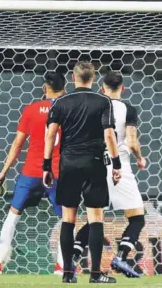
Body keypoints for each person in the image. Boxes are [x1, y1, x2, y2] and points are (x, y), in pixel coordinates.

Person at [44, 61, 121, 284]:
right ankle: (95, 275)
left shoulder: (60, 102)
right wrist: (116, 164)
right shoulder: (103, 101)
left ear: (73, 77)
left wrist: (46, 166)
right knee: (95, 219)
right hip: (94, 163)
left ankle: (68, 274)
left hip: (68, 164)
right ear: (93, 78)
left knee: (68, 219)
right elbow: (109, 136)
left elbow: (51, 136)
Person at [0, 72, 66, 275]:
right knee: (66, 219)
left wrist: (3, 173)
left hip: (31, 172)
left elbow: (17, 144)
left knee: (12, 216)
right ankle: (62, 266)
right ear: (64, 90)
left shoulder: (32, 109)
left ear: (45, 88)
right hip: (57, 173)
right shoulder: (69, 109)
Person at [71, 71, 146, 278]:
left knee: (95, 219)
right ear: (123, 88)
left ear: (102, 88)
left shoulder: (91, 106)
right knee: (137, 217)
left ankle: (71, 261)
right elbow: (131, 141)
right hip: (118, 167)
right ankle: (121, 257)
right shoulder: (127, 109)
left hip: (92, 165)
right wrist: (140, 157)